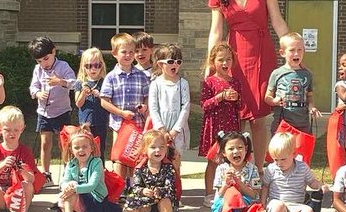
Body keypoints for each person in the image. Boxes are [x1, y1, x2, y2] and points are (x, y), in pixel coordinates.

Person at [207, 0, 290, 169]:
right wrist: (210, 66)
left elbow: (277, 21)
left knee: (258, 119)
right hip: (233, 57)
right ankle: (233, 171)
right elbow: (216, 32)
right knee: (235, 117)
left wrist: (292, 47)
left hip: (262, 54)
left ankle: (260, 171)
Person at [56, 125, 120, 212]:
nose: (81, 150)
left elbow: (92, 185)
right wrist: (67, 187)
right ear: (71, 149)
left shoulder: (97, 162)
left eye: (85, 146)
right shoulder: (72, 163)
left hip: (95, 200)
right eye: (77, 147)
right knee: (65, 191)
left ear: (92, 147)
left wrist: (73, 189)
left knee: (71, 190)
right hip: (79, 199)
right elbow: (63, 182)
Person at [264, 130, 323, 212]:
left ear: (294, 154)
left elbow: (311, 182)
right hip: (276, 205)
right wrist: (262, 204)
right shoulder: (271, 169)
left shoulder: (302, 167)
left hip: (295, 206)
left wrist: (317, 185)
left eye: (283, 159)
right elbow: (265, 186)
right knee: (279, 205)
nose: (279, 163)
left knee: (308, 210)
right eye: (275, 159)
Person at [28, 36, 77, 182]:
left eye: (46, 59)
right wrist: (37, 93)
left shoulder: (63, 66)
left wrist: (60, 82)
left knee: (64, 143)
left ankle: (68, 172)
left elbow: (74, 83)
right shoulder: (38, 69)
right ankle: (46, 173)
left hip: (62, 111)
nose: (43, 63)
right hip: (44, 112)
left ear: (54, 52)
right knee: (45, 143)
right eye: (39, 61)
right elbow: (33, 86)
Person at [100, 32, 149, 179]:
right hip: (119, 124)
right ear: (115, 53)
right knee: (120, 156)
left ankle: (134, 185)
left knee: (135, 155)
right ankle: (119, 185)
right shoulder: (111, 77)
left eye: (131, 52)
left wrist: (144, 106)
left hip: (138, 123)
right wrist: (121, 113)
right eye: (124, 52)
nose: (128, 55)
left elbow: (147, 96)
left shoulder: (142, 76)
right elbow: (104, 101)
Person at [122, 129, 179, 212]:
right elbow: (135, 187)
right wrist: (143, 191)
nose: (158, 150)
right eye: (153, 147)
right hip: (147, 204)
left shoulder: (168, 167)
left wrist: (160, 190)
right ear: (145, 150)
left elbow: (171, 187)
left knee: (166, 199)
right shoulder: (140, 168)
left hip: (163, 202)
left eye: (162, 147)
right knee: (131, 200)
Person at [200, 41, 242, 193]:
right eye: (221, 59)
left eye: (228, 59)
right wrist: (220, 97)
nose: (225, 63)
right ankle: (209, 193)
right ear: (213, 61)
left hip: (231, 126)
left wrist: (237, 98)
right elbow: (204, 105)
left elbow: (240, 107)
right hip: (215, 126)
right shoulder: (209, 82)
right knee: (213, 161)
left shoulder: (236, 82)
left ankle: (228, 191)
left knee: (231, 161)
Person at [147, 43, 191, 183]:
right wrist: (161, 129)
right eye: (171, 62)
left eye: (178, 62)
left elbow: (186, 107)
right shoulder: (156, 83)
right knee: (159, 159)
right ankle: (160, 189)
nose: (175, 65)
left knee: (175, 160)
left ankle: (176, 192)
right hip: (161, 128)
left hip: (177, 129)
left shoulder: (183, 83)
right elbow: (153, 107)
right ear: (160, 64)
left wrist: (175, 130)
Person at [265, 31, 318, 135]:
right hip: (282, 122)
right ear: (282, 53)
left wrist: (312, 107)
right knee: (282, 151)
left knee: (301, 151)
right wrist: (274, 101)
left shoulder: (307, 74)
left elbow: (310, 96)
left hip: (303, 124)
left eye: (299, 50)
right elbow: (267, 96)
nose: (296, 53)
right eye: (292, 50)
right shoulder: (277, 73)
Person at [210, 130, 262, 212]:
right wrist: (226, 184)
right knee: (224, 206)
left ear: (246, 149)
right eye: (231, 149)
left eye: (240, 148)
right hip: (224, 202)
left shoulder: (253, 169)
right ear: (224, 153)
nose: (236, 151)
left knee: (238, 204)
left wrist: (240, 183)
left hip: (245, 202)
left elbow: (255, 194)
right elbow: (220, 194)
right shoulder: (221, 169)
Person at [73, 47, 110, 148]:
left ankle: (100, 164)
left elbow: (109, 102)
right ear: (83, 67)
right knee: (86, 147)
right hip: (85, 123)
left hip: (101, 121)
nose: (93, 69)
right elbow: (78, 104)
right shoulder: (80, 82)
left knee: (99, 148)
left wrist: (100, 95)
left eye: (97, 65)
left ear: (101, 66)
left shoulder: (105, 82)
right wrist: (83, 94)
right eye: (89, 66)